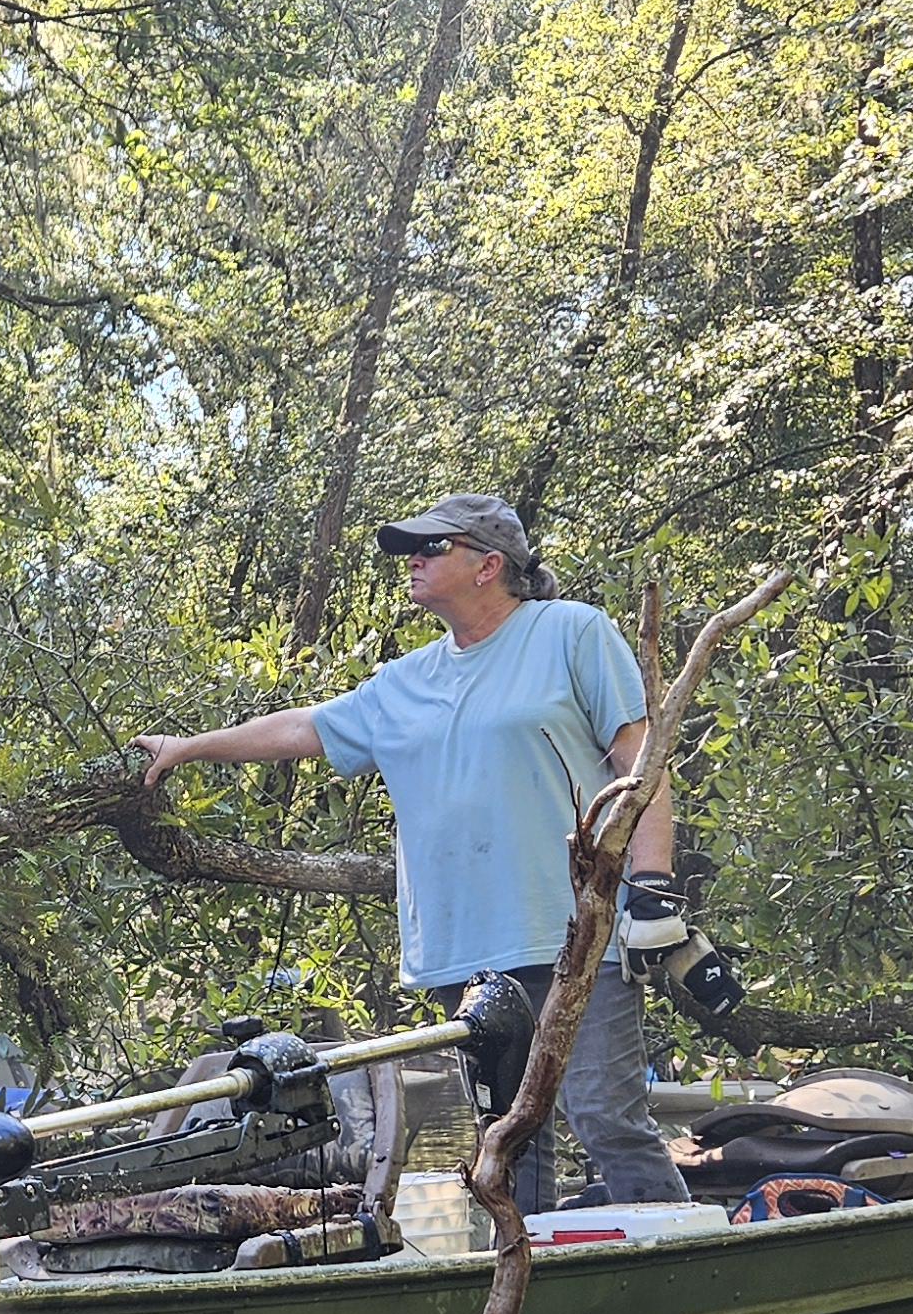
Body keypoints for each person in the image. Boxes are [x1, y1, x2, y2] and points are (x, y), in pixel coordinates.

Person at [132, 492, 691, 1211]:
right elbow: (306, 728)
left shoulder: (571, 634)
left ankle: (687, 1265)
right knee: (510, 1136)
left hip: (579, 932)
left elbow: (638, 761)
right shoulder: (408, 680)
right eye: (411, 551)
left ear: (490, 565)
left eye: (432, 548)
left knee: (604, 1114)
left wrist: (651, 888)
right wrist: (189, 749)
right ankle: (531, 1290)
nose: (414, 561)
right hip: (468, 953)